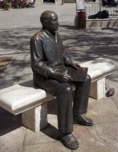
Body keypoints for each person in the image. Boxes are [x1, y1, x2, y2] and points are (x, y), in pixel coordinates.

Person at [30, 11, 93, 150]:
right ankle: (65, 132)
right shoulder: (37, 39)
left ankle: (78, 114)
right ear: (45, 23)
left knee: (86, 78)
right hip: (44, 76)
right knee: (65, 89)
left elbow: (63, 53)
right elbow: (37, 64)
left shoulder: (56, 35)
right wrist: (55, 75)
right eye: (55, 20)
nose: (58, 23)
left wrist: (69, 62)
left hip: (61, 69)